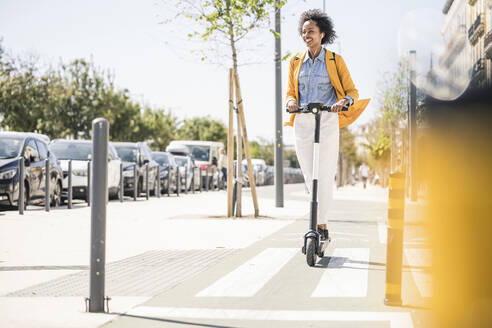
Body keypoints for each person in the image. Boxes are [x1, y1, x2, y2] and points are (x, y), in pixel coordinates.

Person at [285, 9, 368, 241]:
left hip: (328, 119)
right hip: (302, 119)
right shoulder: (295, 61)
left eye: (310, 31)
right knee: (309, 173)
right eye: (303, 32)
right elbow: (291, 92)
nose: (306, 35)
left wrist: (344, 101)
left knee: (324, 173)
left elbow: (352, 91)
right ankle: (320, 223)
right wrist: (291, 102)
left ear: (322, 33)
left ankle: (321, 224)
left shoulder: (335, 60)